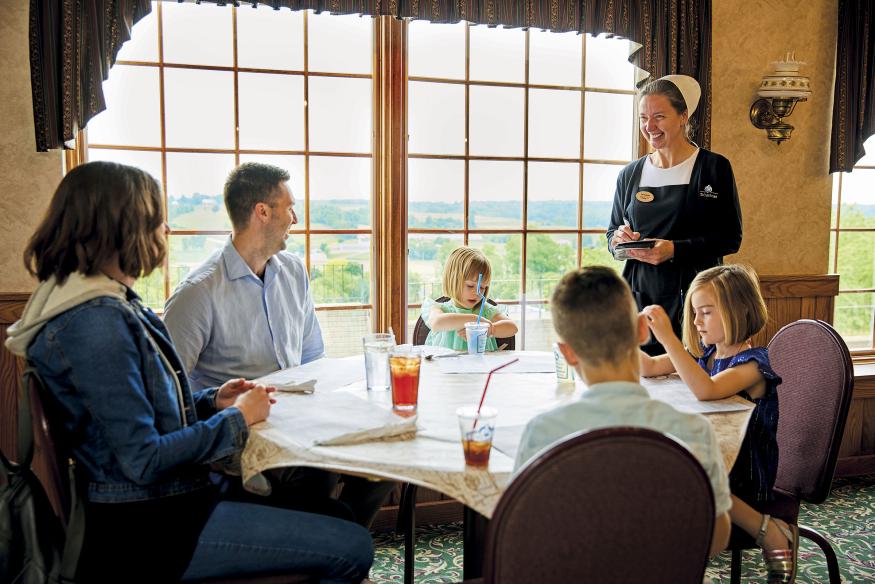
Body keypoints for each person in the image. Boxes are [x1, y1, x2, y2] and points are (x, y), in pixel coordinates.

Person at [4, 161, 373, 583]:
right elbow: (143, 459)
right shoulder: (94, 323)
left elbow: (146, 414)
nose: (166, 231)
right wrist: (237, 419)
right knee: (353, 546)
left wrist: (212, 400)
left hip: (172, 503)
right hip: (152, 529)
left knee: (335, 511)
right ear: (117, 228)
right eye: (155, 219)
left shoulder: (106, 303)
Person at [163, 162, 392, 528]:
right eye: (289, 208)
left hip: (304, 425)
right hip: (245, 444)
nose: (295, 218)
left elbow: (314, 357)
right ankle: (332, 548)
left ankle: (336, 544)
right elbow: (166, 397)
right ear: (262, 212)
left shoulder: (293, 271)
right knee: (320, 475)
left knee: (386, 453)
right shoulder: (198, 293)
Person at [514, 266, 731, 558]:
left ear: (566, 353)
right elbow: (716, 537)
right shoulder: (693, 431)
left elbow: (523, 533)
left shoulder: (542, 433)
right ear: (642, 330)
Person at [640, 264, 797, 583]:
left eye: (706, 312)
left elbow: (706, 389)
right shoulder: (707, 355)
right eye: (695, 312)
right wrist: (619, 336)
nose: (696, 321)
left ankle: (767, 530)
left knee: (683, 474)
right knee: (665, 470)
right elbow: (649, 367)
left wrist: (668, 338)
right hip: (718, 457)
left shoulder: (753, 365)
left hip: (746, 471)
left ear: (737, 311)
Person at [606, 74, 743, 355]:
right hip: (640, 297)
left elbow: (730, 238)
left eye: (659, 116)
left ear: (683, 116)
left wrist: (674, 250)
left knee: (692, 384)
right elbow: (612, 237)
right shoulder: (630, 175)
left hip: (696, 300)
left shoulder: (713, 168)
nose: (649, 126)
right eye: (644, 117)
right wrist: (619, 241)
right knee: (643, 383)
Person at [422, 246, 518, 350]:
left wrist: (490, 329)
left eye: (482, 287)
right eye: (470, 286)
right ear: (453, 281)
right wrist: (475, 320)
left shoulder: (485, 310)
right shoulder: (439, 309)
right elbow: (436, 323)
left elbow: (512, 327)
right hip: (446, 365)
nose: (477, 293)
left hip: (481, 364)